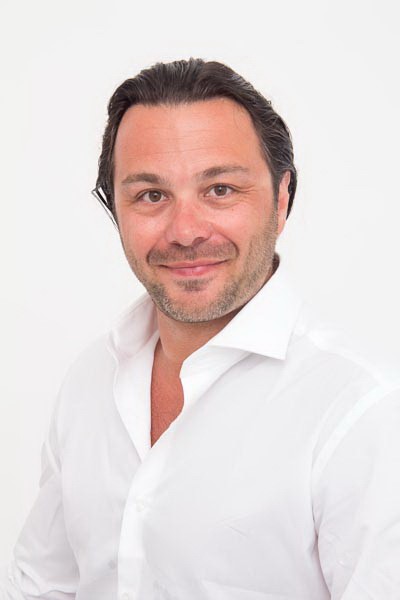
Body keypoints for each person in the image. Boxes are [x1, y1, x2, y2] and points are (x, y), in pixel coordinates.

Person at [1, 58, 399, 600]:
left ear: (282, 198)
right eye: (151, 195)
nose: (186, 232)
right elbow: (43, 586)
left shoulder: (364, 413)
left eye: (220, 189)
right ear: (114, 209)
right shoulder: (91, 378)